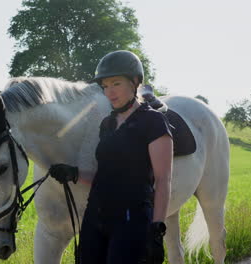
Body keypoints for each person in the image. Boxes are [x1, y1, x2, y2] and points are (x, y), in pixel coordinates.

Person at [49, 50, 173, 264]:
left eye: (116, 83)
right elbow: (104, 174)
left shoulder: (153, 122)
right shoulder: (107, 123)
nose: (109, 92)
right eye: (105, 86)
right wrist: (74, 173)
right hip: (95, 215)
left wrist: (157, 229)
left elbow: (163, 180)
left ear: (135, 81)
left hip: (131, 218)